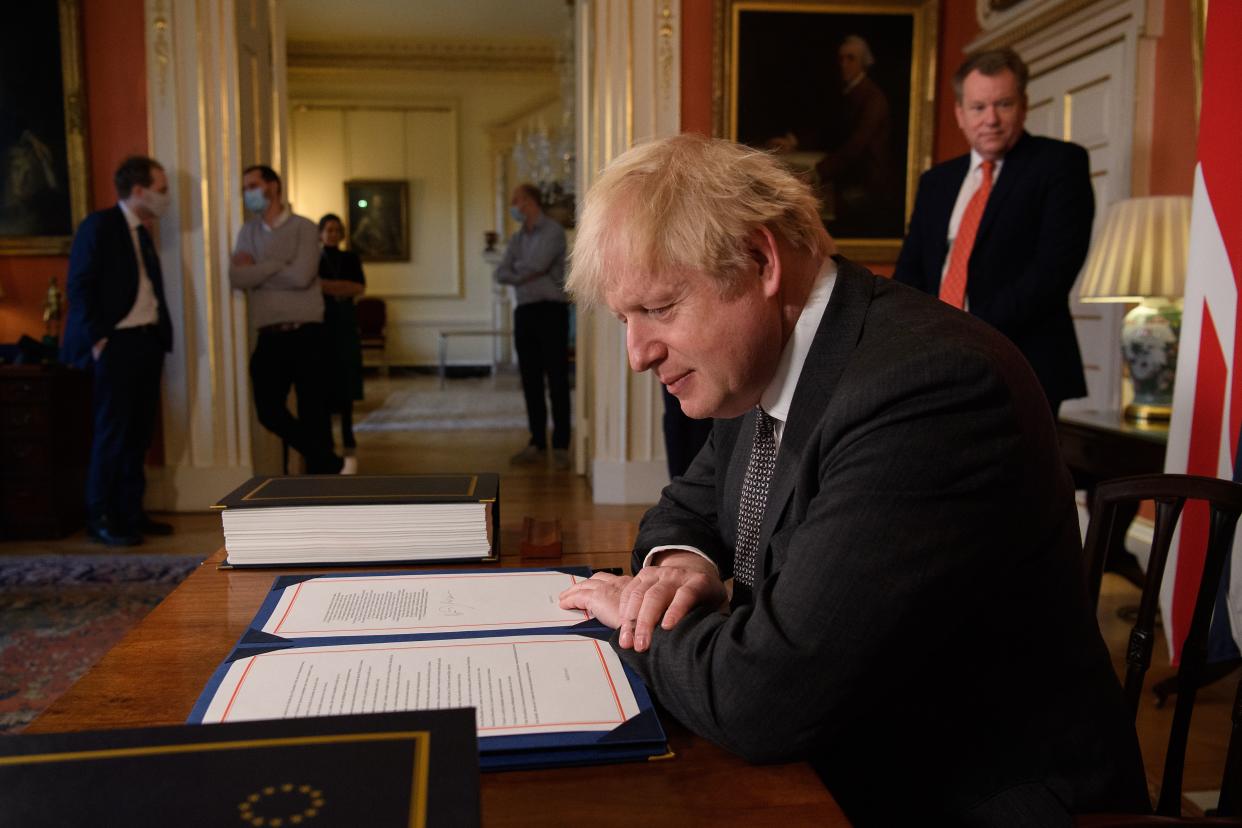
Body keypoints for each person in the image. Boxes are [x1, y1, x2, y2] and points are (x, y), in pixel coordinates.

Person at [558, 135, 1149, 824]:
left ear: (760, 259)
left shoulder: (928, 389)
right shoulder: (762, 360)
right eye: (624, 318)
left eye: (658, 308)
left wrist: (635, 618)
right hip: (832, 763)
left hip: (956, 799)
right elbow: (686, 508)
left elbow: (763, 699)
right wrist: (681, 565)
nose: (637, 354)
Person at [892, 48, 1092, 415]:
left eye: (1003, 104)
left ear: (1024, 105)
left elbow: (1053, 271)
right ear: (959, 114)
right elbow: (912, 270)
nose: (991, 119)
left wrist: (967, 329)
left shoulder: (1060, 164)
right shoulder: (937, 182)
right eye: (978, 107)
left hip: (1025, 361)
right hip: (936, 362)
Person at [62, 155, 174, 546]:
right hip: (116, 344)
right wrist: (98, 339)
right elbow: (79, 284)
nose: (167, 197)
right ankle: (102, 516)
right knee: (113, 433)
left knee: (139, 434)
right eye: (162, 189)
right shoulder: (100, 225)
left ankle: (131, 511)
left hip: (146, 342)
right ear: (138, 190)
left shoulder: (142, 232)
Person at [228, 164, 342, 474]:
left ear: (273, 186)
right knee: (267, 409)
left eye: (252, 185)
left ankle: (323, 480)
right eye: (244, 188)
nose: (247, 193)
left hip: (307, 334)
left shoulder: (304, 227)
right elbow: (237, 276)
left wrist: (259, 269)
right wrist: (278, 264)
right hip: (270, 334)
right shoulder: (247, 231)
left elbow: (303, 276)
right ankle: (327, 460)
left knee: (314, 410)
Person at [766, 35, 899, 237]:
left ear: (863, 63)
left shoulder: (873, 99)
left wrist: (817, 173)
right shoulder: (847, 93)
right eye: (841, 59)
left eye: (850, 58)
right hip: (847, 176)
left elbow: (854, 147)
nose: (844, 64)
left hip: (868, 184)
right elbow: (827, 129)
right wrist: (793, 141)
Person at [494, 183, 572, 470]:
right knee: (530, 380)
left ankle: (562, 444)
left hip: (551, 312)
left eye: (516, 200)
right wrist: (521, 273)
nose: (513, 206)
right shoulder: (517, 238)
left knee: (557, 379)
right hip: (525, 312)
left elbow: (538, 265)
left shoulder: (552, 231)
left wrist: (519, 271)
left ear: (528, 201)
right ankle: (537, 442)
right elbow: (500, 272)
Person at [317, 213, 366, 475]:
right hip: (323, 325)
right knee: (325, 380)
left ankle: (348, 432)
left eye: (337, 230)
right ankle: (327, 437)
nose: (332, 234)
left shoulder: (350, 258)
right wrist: (338, 287)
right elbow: (315, 286)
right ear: (321, 233)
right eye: (328, 230)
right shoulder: (315, 259)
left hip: (346, 324)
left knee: (347, 379)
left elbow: (358, 287)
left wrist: (329, 287)